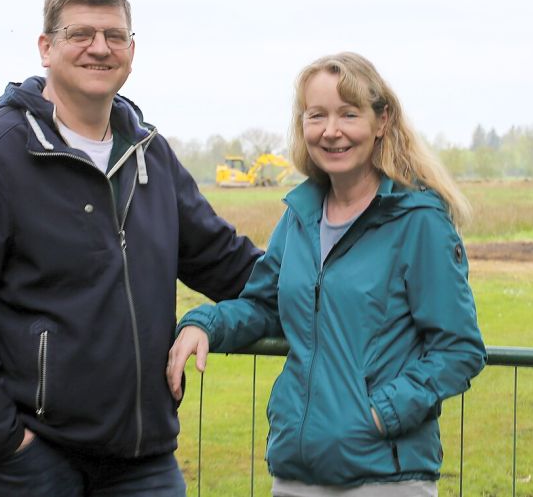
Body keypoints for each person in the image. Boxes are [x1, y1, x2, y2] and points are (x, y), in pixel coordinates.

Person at [0, 0, 261, 497]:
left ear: (131, 49)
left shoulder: (150, 155)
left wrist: (339, 282)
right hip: (33, 459)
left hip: (142, 457)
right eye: (81, 34)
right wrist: (3, 439)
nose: (99, 49)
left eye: (114, 36)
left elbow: (228, 264)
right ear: (45, 48)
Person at [167, 52, 486, 496]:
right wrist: (206, 324)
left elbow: (459, 349)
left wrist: (379, 415)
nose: (331, 131)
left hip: (385, 477)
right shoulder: (300, 217)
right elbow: (265, 306)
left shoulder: (419, 222)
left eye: (348, 114)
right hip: (297, 470)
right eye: (316, 115)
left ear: (382, 121)